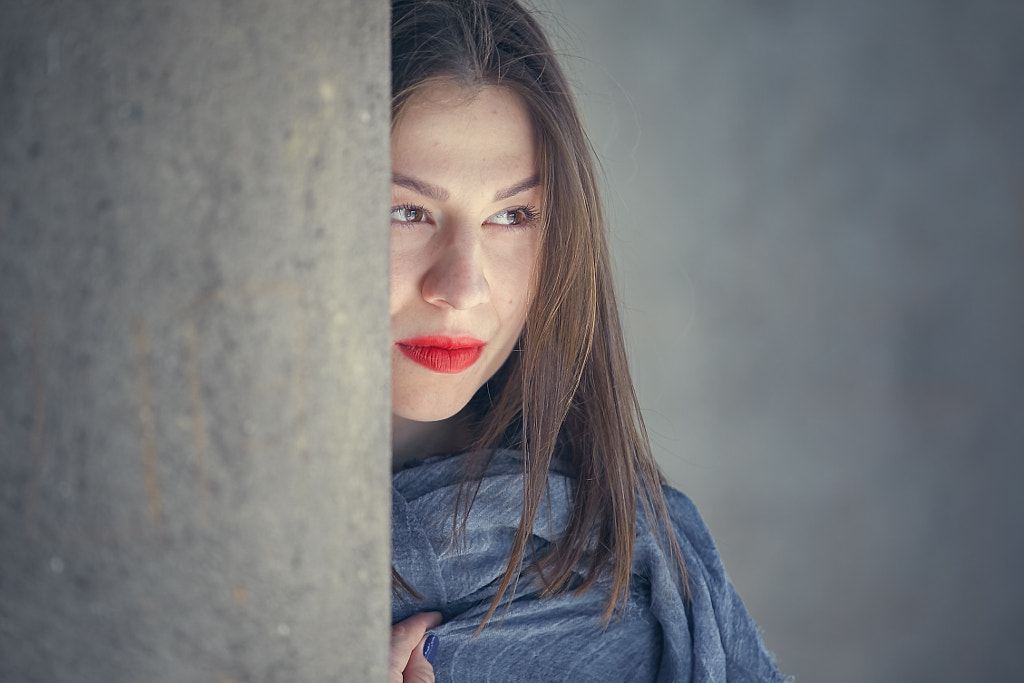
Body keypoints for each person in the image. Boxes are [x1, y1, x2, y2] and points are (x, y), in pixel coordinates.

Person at [388, 0, 788, 681]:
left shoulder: (616, 593)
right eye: (405, 211)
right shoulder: (178, 520)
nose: (462, 286)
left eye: (512, 215)